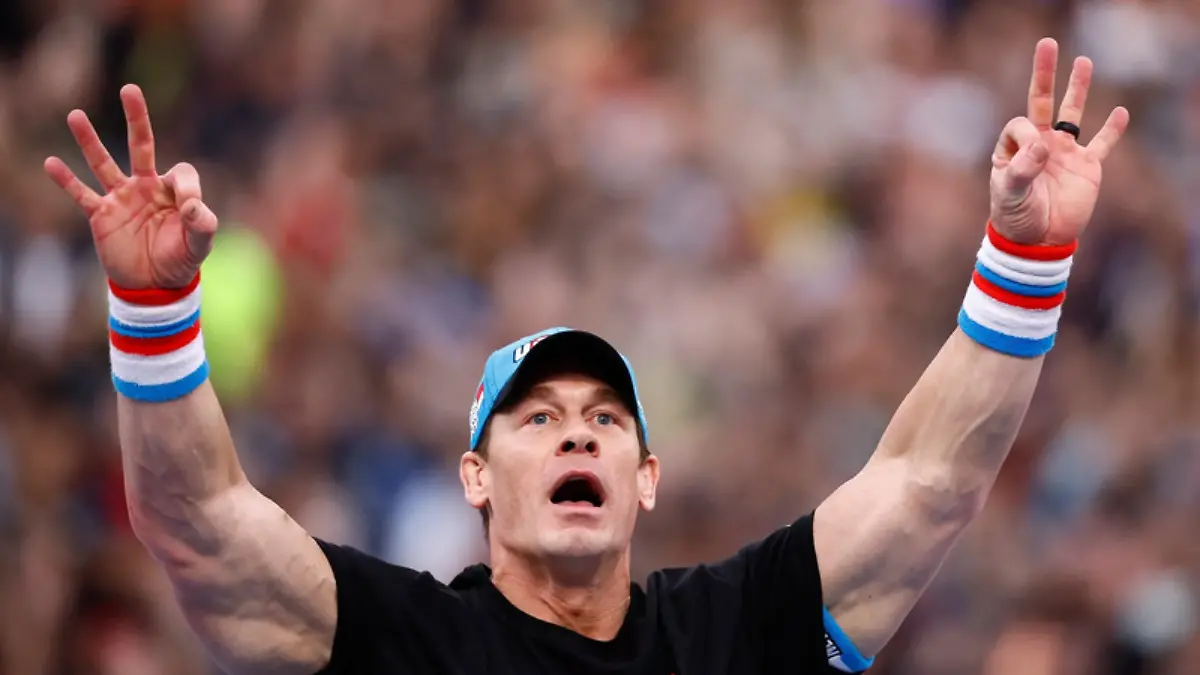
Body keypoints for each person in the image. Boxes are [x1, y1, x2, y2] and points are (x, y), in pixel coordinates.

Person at [43, 37, 1128, 675]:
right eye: (537, 414)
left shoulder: (732, 637)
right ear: (474, 476)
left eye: (608, 419)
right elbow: (198, 529)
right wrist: (152, 305)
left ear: (646, 480)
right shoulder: (408, 644)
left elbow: (929, 484)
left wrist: (1023, 258)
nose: (577, 427)